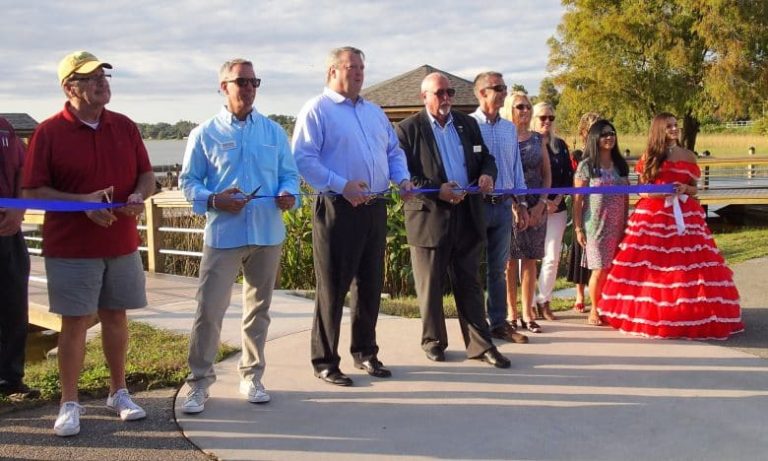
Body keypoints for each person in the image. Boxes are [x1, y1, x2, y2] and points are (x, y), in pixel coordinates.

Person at [23, 51, 155, 436]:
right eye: (90, 78)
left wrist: (137, 197)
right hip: (71, 247)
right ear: (69, 87)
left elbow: (146, 176)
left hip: (121, 241)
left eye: (103, 75)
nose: (102, 82)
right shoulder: (48, 132)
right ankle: (69, 402)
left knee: (116, 316)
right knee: (76, 322)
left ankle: (119, 392)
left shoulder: (125, 126)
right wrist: (81, 204)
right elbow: (31, 191)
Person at [179, 59, 300, 414]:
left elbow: (288, 174)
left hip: (267, 232)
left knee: (258, 310)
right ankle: (199, 383)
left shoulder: (274, 132)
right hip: (223, 234)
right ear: (223, 86)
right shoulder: (204, 133)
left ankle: (252, 375)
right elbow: (188, 182)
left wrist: (287, 193)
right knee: (209, 310)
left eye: (253, 81)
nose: (248, 88)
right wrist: (214, 199)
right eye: (241, 81)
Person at [293, 46, 413, 386]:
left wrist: (401, 178)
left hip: (374, 206)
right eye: (352, 67)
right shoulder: (317, 110)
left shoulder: (374, 112)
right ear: (333, 71)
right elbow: (303, 158)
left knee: (370, 284)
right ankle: (325, 361)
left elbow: (393, 151)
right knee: (332, 288)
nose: (360, 72)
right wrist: (341, 185)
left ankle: (365, 352)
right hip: (338, 207)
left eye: (362, 66)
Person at [396, 72, 510, 368]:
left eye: (450, 93)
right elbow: (403, 174)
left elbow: (486, 158)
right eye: (440, 93)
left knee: (470, 283)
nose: (446, 98)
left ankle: (481, 345)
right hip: (429, 219)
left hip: (467, 215)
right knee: (430, 285)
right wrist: (438, 191)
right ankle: (433, 341)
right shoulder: (409, 129)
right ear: (424, 97)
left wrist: (487, 174)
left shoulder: (467, 124)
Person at [598, 113, 743, 339]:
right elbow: (640, 189)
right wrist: (659, 192)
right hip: (652, 218)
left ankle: (688, 312)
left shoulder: (689, 155)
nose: (674, 129)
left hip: (684, 217)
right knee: (654, 267)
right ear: (659, 130)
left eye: (676, 125)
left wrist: (685, 190)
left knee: (686, 267)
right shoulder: (650, 157)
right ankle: (654, 314)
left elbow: (695, 188)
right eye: (669, 127)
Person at [469, 72, 529, 345]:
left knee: (499, 268)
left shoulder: (508, 128)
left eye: (505, 88)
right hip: (475, 206)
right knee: (469, 266)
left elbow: (515, 168)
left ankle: (498, 323)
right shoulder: (467, 125)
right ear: (482, 92)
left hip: (504, 206)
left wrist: (522, 203)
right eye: (499, 88)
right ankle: (474, 325)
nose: (504, 92)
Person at [500, 92, 551, 334]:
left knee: (530, 259)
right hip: (511, 203)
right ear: (510, 108)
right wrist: (515, 205)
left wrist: (541, 204)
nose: (525, 111)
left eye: (528, 106)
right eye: (520, 106)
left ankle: (529, 312)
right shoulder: (504, 137)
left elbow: (547, 174)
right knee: (510, 260)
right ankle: (511, 312)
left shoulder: (538, 139)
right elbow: (503, 172)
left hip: (536, 203)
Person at [572, 120, 629, 326]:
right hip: (594, 226)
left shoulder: (620, 165)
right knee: (599, 268)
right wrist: (578, 227)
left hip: (618, 225)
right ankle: (595, 309)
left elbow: (626, 197)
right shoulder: (586, 166)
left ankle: (610, 307)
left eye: (612, 133)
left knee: (613, 269)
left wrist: (626, 223)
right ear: (595, 138)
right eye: (604, 134)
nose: (609, 137)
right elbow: (578, 201)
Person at [0, 117, 39, 400]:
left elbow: (23, 170)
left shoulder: (5, 127)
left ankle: (11, 379)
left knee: (14, 307)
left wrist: (18, 208)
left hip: (7, 230)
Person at [533, 102, 572, 321]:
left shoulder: (561, 145)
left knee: (551, 257)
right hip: (531, 207)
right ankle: (528, 302)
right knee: (528, 257)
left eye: (551, 117)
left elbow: (568, 177)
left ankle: (544, 300)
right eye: (542, 118)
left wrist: (555, 200)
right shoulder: (527, 143)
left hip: (557, 208)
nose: (547, 121)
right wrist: (540, 202)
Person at [565, 112, 600, 313]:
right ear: (585, 132)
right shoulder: (578, 156)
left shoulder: (605, 154)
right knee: (581, 251)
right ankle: (580, 294)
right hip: (584, 208)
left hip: (600, 212)